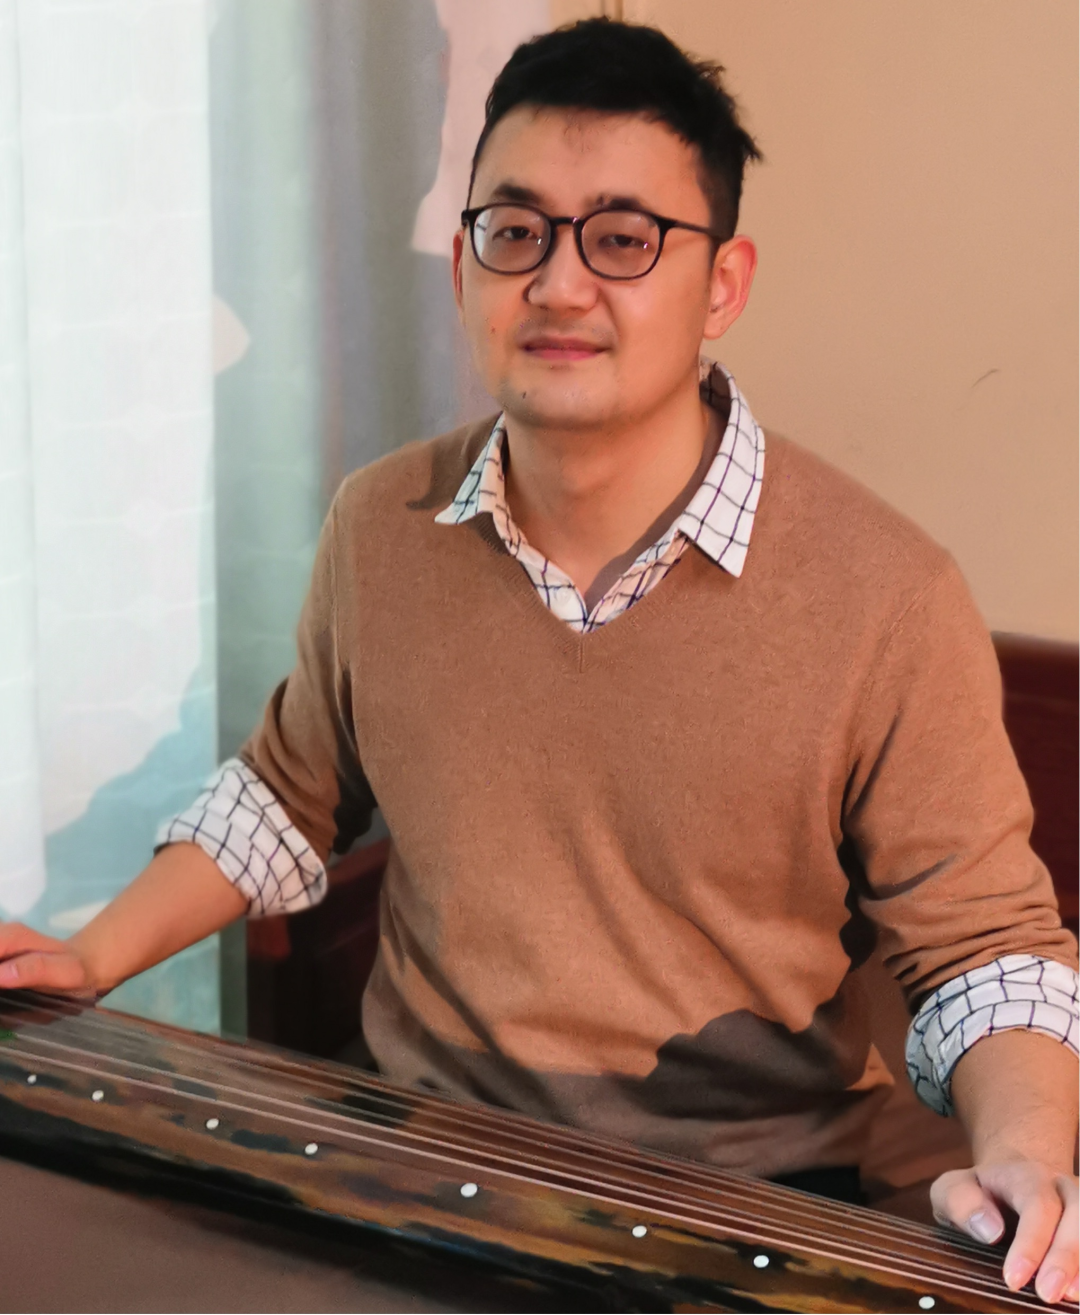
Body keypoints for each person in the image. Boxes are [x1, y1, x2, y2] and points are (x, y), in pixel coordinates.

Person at [1, 18, 1076, 1305]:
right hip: (419, 1169)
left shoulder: (887, 594)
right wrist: (91, 954)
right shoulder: (380, 524)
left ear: (723, 283)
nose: (559, 286)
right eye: (516, 231)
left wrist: (1028, 1156)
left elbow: (983, 951)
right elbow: (288, 793)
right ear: (465, 263)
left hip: (753, 1207)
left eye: (623, 239)